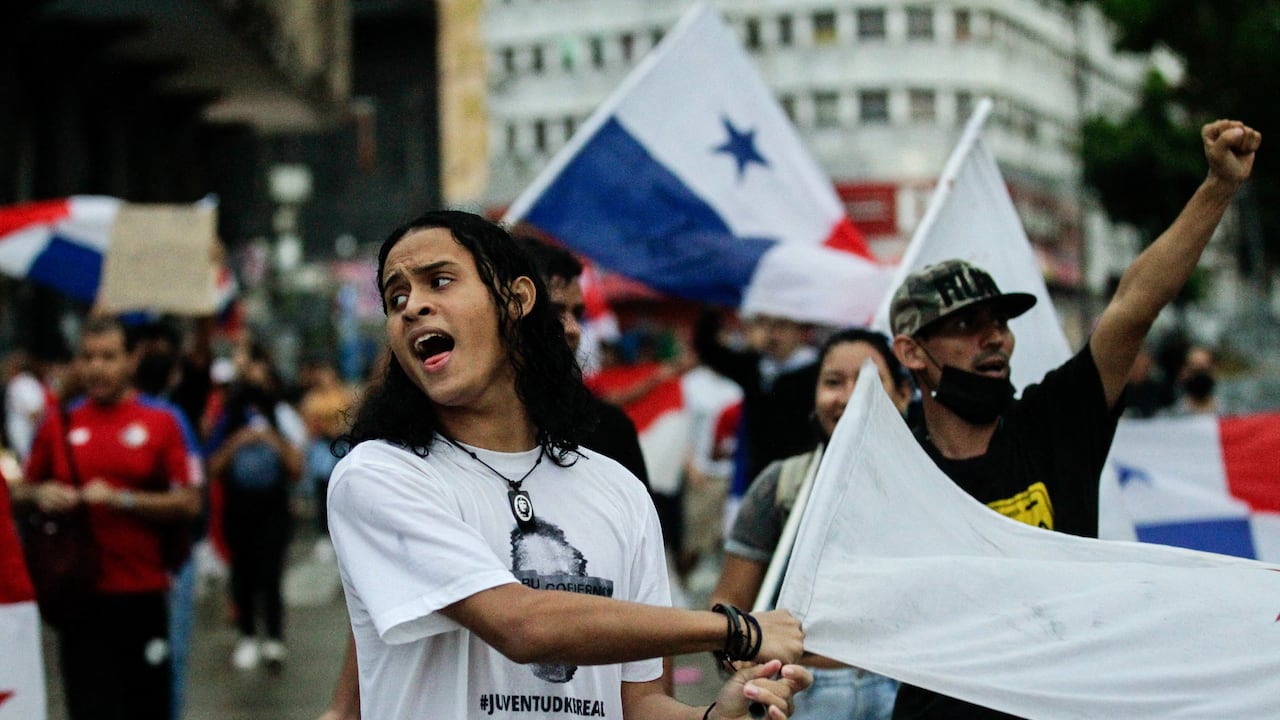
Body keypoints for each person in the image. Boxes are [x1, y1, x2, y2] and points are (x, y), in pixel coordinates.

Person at [324, 210, 810, 720]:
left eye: (439, 281)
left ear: (516, 300)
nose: (412, 306)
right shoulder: (379, 476)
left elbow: (641, 704)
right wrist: (736, 629)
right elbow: (521, 626)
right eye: (395, 297)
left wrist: (718, 715)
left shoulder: (617, 489)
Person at [886, 119, 1260, 719]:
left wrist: (1218, 186)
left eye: (1000, 324)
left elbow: (1133, 306)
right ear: (911, 353)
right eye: (965, 326)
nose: (994, 341)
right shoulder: (890, 467)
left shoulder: (1055, 422)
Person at [712, 328, 912, 720]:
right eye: (833, 382)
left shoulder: (928, 489)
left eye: (869, 381)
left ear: (904, 395)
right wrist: (741, 657)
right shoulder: (781, 485)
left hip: (905, 691)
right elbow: (727, 602)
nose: (849, 396)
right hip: (806, 693)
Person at [12, 316, 203, 720]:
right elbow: (19, 492)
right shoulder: (59, 424)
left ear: (131, 360)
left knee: (146, 706)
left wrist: (124, 500)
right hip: (79, 596)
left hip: (143, 595)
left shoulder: (161, 422)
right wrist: (40, 494)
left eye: (109, 357)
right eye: (88, 357)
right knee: (89, 706)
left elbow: (190, 503)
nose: (97, 367)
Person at [205, 339, 304, 672]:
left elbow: (296, 468)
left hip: (273, 507)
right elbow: (212, 467)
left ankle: (274, 638)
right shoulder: (230, 419)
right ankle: (247, 635)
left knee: (271, 573)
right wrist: (237, 442)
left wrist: (273, 441)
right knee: (242, 573)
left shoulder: (283, 416)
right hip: (238, 507)